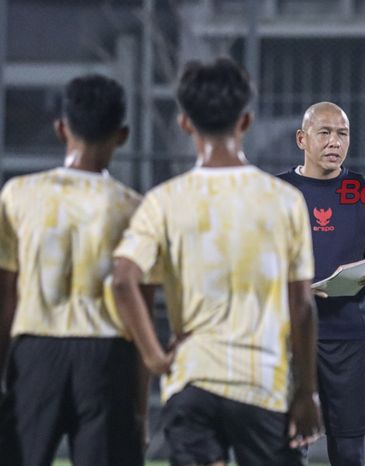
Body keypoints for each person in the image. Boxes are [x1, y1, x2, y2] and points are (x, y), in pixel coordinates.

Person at [111, 57, 323, 466]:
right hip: (263, 382)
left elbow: (123, 279)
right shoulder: (284, 201)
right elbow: (302, 308)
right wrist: (306, 392)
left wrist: (155, 356)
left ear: (184, 123)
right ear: (246, 121)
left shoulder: (164, 201)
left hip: (193, 381)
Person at [0, 74, 148, 466]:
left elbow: (6, 295)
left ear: (61, 128)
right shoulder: (134, 208)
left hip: (34, 351)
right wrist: (140, 409)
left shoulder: (18, 195)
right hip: (105, 356)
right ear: (122, 135)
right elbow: (140, 318)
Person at [278, 102, 365, 466]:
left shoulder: (362, 192)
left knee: (349, 452)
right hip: (289, 337)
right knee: (287, 448)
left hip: (348, 338)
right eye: (325, 133)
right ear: (303, 138)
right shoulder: (279, 192)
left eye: (342, 134)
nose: (334, 142)